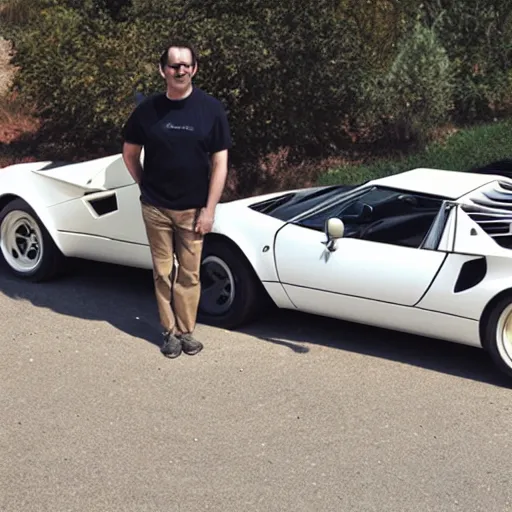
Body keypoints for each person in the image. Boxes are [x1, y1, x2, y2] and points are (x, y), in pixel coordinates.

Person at [121, 41, 232, 359]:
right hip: (155, 208)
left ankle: (186, 332)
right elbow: (130, 153)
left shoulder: (211, 109)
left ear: (194, 69)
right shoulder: (147, 111)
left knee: (190, 274)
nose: (180, 70)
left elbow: (220, 162)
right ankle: (169, 333)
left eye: (185, 65)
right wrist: (145, 184)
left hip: (193, 210)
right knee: (162, 271)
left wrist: (209, 210)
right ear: (163, 70)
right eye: (173, 65)